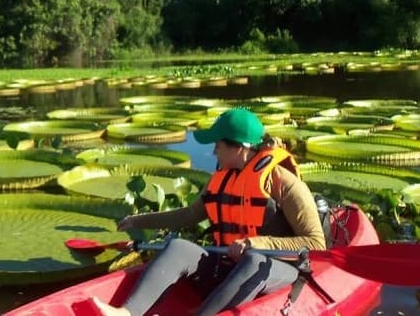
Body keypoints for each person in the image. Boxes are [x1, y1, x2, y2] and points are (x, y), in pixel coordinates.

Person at [91, 108, 326, 316]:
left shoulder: (284, 183)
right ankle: (126, 312)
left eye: (218, 145)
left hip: (276, 270)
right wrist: (137, 220)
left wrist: (257, 242)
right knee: (179, 246)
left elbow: (316, 243)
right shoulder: (222, 177)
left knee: (253, 260)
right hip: (228, 264)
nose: (214, 152)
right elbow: (189, 215)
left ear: (240, 147)